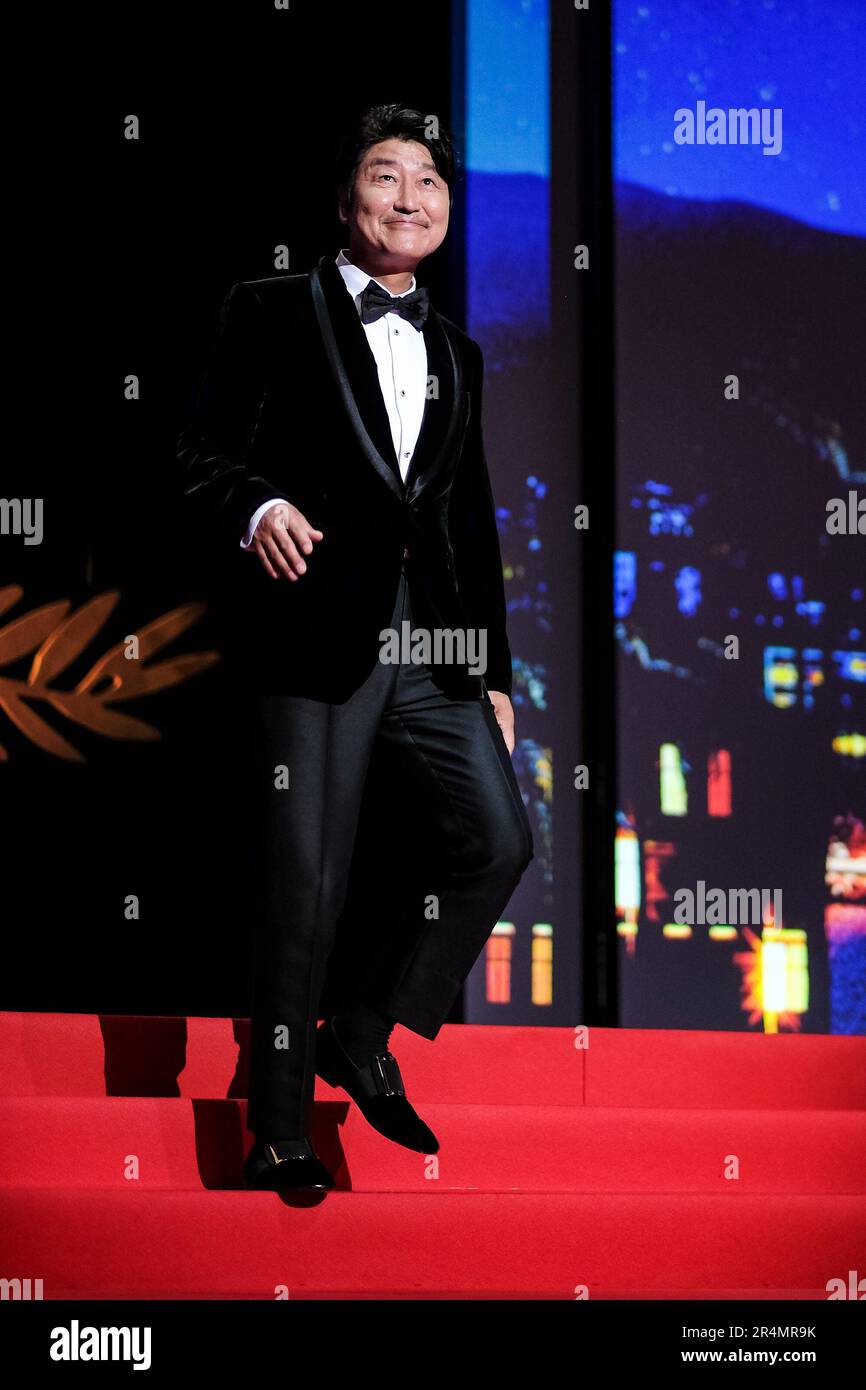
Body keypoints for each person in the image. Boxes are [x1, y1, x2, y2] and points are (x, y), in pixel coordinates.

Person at [177, 103, 534, 1191]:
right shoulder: (269, 307)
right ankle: (276, 1123)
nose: (409, 196)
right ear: (346, 202)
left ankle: (362, 1028)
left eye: (428, 181)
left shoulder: (455, 352)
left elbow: (465, 521)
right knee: (307, 880)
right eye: (386, 177)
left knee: (496, 838)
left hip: (431, 644)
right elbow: (196, 452)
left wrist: (494, 674)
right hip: (312, 631)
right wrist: (257, 506)